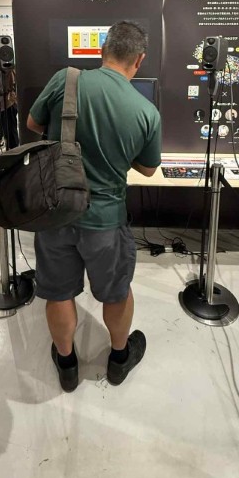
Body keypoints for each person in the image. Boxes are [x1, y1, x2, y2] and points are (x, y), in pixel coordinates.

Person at [27, 21, 162, 392]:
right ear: (139, 60)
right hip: (106, 220)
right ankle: (119, 359)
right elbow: (149, 169)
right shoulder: (146, 110)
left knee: (58, 292)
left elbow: (33, 123)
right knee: (116, 291)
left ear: (103, 50)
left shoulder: (65, 80)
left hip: (56, 211)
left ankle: (67, 364)